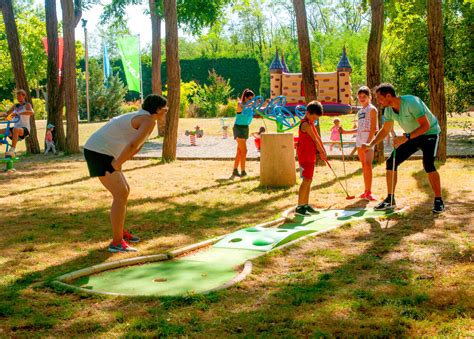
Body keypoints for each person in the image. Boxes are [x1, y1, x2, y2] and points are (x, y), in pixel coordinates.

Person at [84, 94, 168, 252]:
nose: (166, 112)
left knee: (125, 191)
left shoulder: (146, 118)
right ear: (157, 109)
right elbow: (132, 144)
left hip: (103, 151)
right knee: (121, 193)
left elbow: (137, 146)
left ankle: (120, 231)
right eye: (165, 109)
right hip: (98, 152)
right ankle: (117, 242)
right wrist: (117, 164)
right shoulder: (148, 120)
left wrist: (118, 161)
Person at [361, 83, 445, 213]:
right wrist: (370, 144)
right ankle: (390, 199)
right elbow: (385, 130)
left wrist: (405, 137)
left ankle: (438, 200)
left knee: (428, 164)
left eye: (379, 98)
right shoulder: (388, 110)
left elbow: (425, 126)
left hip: (430, 133)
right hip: (411, 135)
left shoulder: (411, 102)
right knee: (391, 162)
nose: (378, 101)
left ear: (389, 96)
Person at [340, 86, 378, 201]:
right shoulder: (360, 111)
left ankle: (369, 192)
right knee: (363, 165)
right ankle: (365, 191)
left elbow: (373, 128)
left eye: (364, 96)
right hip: (359, 139)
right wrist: (345, 131)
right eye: (360, 97)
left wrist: (368, 142)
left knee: (368, 164)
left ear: (369, 97)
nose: (362, 98)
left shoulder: (372, 109)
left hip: (368, 139)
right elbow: (359, 129)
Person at [295, 101, 327, 216]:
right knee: (306, 179)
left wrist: (323, 150)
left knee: (309, 179)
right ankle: (299, 207)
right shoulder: (305, 124)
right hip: (304, 155)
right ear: (307, 113)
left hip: (310, 154)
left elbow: (318, 137)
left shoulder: (311, 123)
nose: (314, 120)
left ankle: (305, 204)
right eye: (313, 117)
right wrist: (321, 152)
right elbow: (314, 139)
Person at [0, 89, 33, 157]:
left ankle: (12, 149)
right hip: (16, 128)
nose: (18, 98)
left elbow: (31, 112)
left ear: (23, 96)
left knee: (16, 129)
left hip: (24, 129)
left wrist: (19, 113)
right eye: (17, 96)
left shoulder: (27, 105)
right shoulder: (15, 106)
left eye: (19, 96)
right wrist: (2, 114)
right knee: (1, 131)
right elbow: (7, 113)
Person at [232, 89, 255, 178]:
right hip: (239, 128)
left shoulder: (250, 107)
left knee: (240, 151)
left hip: (245, 128)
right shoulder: (240, 105)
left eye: (253, 99)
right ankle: (243, 171)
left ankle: (235, 170)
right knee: (244, 151)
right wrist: (249, 105)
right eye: (250, 99)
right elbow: (240, 106)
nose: (252, 101)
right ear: (245, 98)